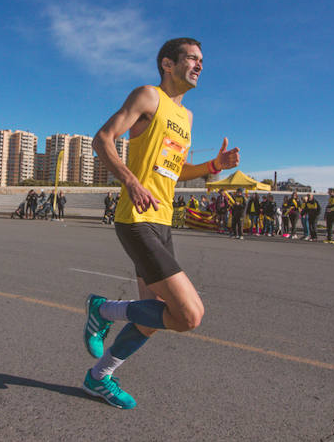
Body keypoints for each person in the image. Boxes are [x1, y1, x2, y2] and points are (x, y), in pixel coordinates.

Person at [83, 37, 240, 409]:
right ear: (168, 64)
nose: (200, 65)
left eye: (203, 60)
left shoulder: (186, 118)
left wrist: (215, 166)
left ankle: (98, 378)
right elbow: (102, 139)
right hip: (136, 218)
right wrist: (131, 181)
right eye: (192, 58)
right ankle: (101, 310)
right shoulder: (147, 96)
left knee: (153, 317)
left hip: (162, 220)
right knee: (189, 315)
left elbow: (175, 170)